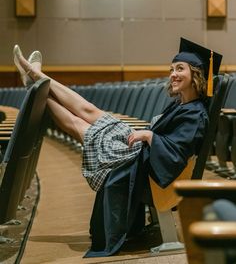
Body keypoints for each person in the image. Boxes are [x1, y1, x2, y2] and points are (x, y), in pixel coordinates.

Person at [13, 37, 222, 257]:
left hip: (148, 168)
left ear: (196, 74)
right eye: (171, 69)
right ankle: (36, 80)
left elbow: (176, 155)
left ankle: (36, 82)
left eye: (180, 69)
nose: (173, 74)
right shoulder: (183, 104)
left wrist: (150, 135)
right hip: (142, 155)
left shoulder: (195, 114)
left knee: (81, 125)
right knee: (89, 112)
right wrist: (150, 135)